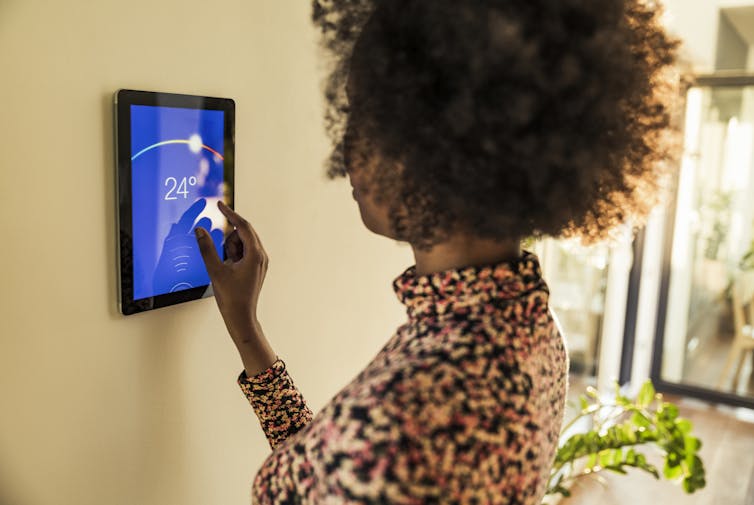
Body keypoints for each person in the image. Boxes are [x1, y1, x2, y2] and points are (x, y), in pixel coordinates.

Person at [193, 0, 681, 503]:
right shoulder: (528, 329)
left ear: (429, 145)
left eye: (363, 117)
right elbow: (332, 473)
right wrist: (246, 331)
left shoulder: (407, 416)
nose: (346, 149)